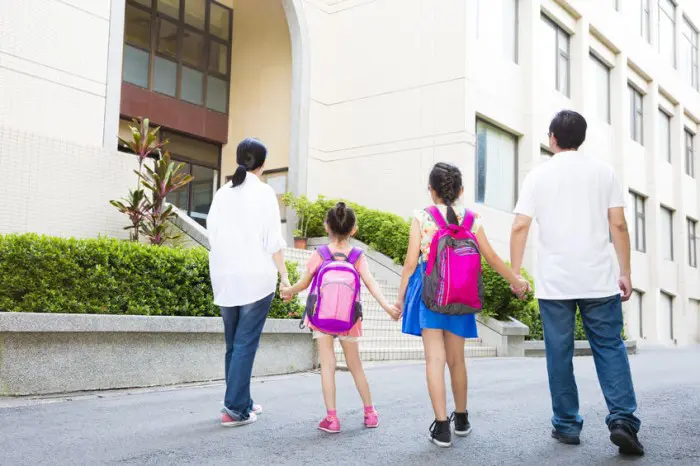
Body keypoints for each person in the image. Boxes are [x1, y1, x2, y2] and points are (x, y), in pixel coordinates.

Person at [509, 110, 644, 456]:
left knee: (559, 352)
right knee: (609, 347)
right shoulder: (604, 172)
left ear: (552, 137)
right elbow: (619, 225)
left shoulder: (537, 176)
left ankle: (567, 425)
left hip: (556, 283)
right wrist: (625, 271)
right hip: (598, 279)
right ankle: (623, 420)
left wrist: (516, 272)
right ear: (580, 139)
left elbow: (520, 226)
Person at [396, 162, 530, 448]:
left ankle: (442, 428)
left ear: (431, 190)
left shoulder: (422, 217)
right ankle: (462, 418)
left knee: (435, 359)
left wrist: (399, 298)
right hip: (461, 294)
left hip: (430, 294)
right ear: (461, 191)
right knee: (457, 359)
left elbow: (409, 264)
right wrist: (516, 281)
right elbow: (492, 257)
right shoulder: (472, 219)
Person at [281, 202, 400, 433]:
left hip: (321, 318)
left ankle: (332, 419)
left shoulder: (320, 254)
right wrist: (387, 307)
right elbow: (371, 283)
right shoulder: (357, 256)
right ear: (353, 229)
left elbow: (304, 283)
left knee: (327, 364)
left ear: (327, 226)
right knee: (355, 365)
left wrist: (288, 291)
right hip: (349, 319)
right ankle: (370, 413)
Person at [207, 138, 290, 427]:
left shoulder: (221, 193)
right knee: (244, 345)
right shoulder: (265, 193)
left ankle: (241, 401)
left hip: (225, 278)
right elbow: (273, 242)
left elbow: (212, 235)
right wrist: (285, 276)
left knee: (234, 344)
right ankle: (234, 410)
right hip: (255, 278)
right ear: (263, 164)